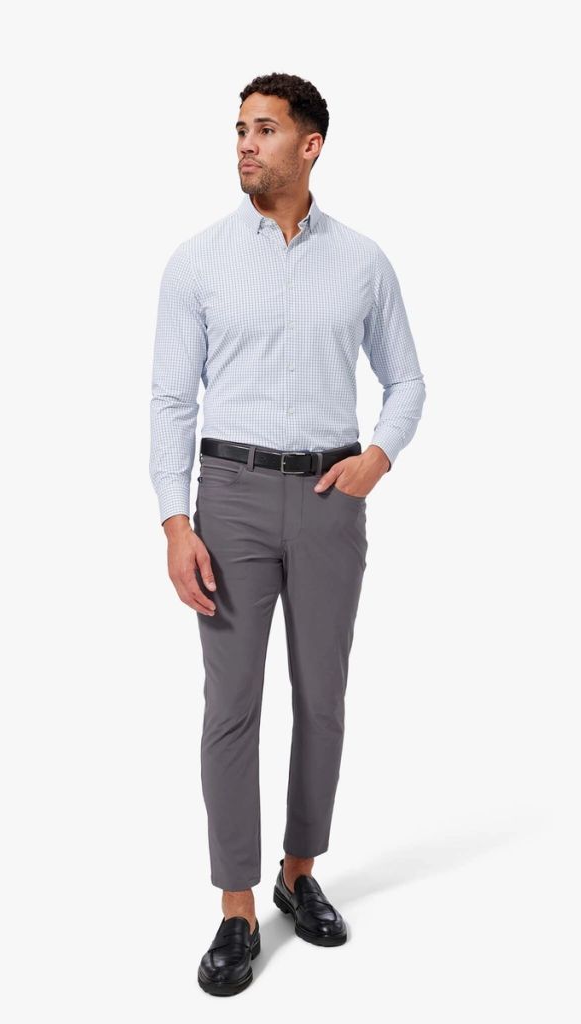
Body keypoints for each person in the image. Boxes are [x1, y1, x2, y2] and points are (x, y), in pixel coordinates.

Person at [148, 72, 426, 996]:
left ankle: (298, 873)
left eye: (264, 129)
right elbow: (171, 400)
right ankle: (236, 907)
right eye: (239, 128)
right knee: (230, 704)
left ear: (310, 145)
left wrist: (377, 459)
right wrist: (175, 521)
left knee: (323, 696)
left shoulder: (362, 262)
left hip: (328, 496)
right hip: (227, 496)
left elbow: (407, 381)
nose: (244, 143)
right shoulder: (196, 262)